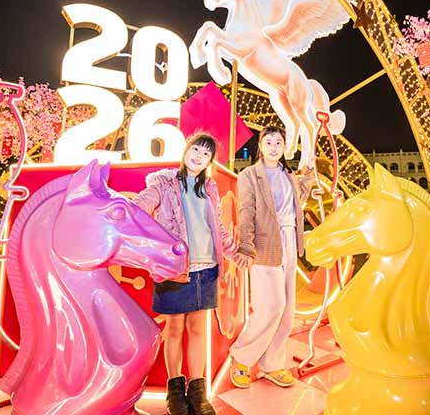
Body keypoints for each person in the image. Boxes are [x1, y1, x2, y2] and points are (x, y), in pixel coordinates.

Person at [134, 133, 236, 415]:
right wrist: (122, 211)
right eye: (196, 149)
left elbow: (218, 229)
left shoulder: (209, 188)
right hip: (176, 270)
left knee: (198, 329)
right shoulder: (164, 182)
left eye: (206, 154)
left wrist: (236, 252)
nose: (199, 156)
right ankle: (175, 394)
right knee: (175, 330)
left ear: (209, 161)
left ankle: (198, 393)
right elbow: (141, 205)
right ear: (186, 150)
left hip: (206, 269)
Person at [229, 125, 315, 389]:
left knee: (287, 310)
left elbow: (296, 202)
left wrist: (307, 179)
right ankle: (241, 357)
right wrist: (246, 246)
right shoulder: (249, 176)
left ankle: (272, 364)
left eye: (279, 142)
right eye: (269, 142)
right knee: (271, 306)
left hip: (289, 241)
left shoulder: (288, 175)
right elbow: (246, 211)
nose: (274, 147)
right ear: (261, 146)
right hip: (265, 244)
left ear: (285, 147)